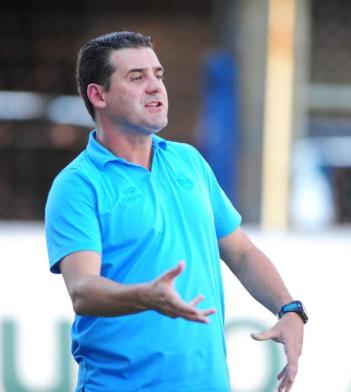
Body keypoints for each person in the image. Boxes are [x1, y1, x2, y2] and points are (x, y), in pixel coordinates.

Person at [45, 31, 306, 392]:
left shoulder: (189, 161)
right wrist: (145, 296)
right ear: (97, 94)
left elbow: (242, 252)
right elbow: (83, 290)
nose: (155, 87)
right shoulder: (77, 184)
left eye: (158, 74)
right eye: (136, 77)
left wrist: (289, 309)